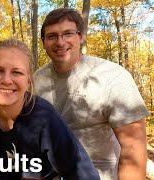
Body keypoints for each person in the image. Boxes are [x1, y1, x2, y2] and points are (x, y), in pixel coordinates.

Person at [0, 38, 100, 179]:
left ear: (28, 81)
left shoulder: (44, 117)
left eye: (17, 72)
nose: (6, 80)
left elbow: (83, 173)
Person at [34, 8, 149, 180]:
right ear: (43, 42)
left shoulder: (111, 76)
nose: (60, 42)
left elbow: (133, 147)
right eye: (52, 36)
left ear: (81, 36)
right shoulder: (36, 80)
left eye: (68, 34)